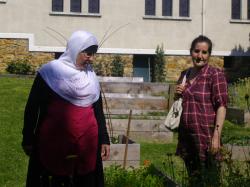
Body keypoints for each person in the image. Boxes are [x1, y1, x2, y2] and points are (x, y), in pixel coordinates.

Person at [22, 30, 110, 187]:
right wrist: (28, 137)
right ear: (76, 49)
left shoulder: (90, 76)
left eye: (94, 54)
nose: (92, 58)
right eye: (88, 53)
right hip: (53, 145)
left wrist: (104, 139)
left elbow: (98, 110)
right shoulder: (50, 72)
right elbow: (32, 108)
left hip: (86, 146)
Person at [175, 35, 228, 186]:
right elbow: (178, 105)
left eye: (204, 52)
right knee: (194, 180)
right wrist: (177, 94)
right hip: (187, 137)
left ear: (209, 55)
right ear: (191, 52)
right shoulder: (184, 75)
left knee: (211, 180)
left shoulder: (214, 75)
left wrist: (216, 137)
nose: (200, 56)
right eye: (196, 51)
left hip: (206, 136)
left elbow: (222, 106)